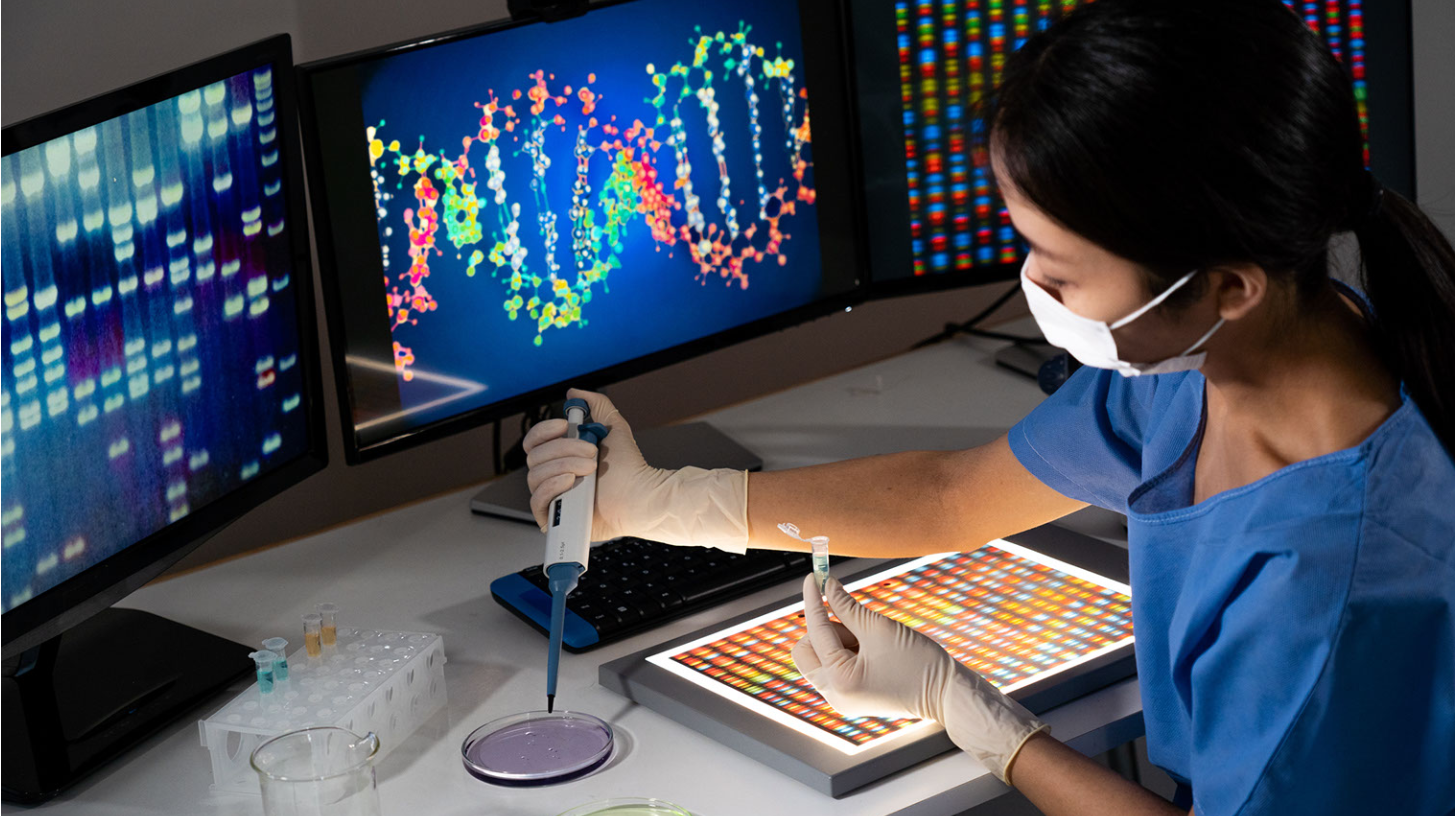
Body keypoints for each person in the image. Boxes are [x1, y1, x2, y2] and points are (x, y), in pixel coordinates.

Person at [522, 0, 1455, 812]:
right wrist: (650, 503)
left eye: (1059, 271)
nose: (1034, 292)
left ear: (1225, 286)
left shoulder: (1341, 576)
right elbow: (948, 496)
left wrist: (974, 718)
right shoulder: (1214, 360)